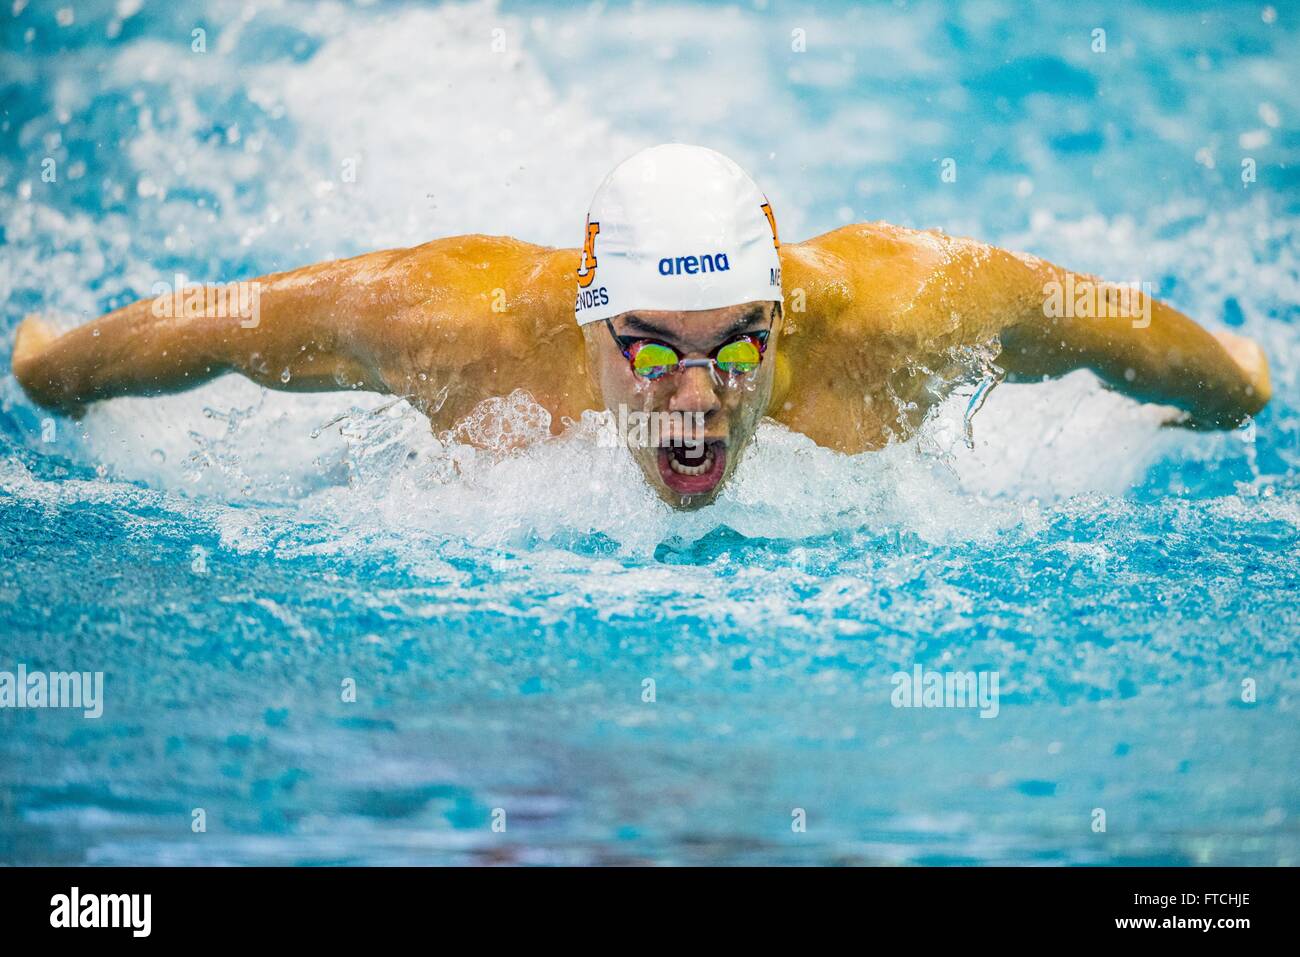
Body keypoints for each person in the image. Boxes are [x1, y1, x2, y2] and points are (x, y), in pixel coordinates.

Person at [11, 143, 1271, 508]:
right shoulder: (454, 325)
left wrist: (1233, 385)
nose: (698, 396)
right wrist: (60, 366)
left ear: (780, 305)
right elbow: (236, 321)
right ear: (585, 310)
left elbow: (1085, 314)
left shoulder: (901, 312)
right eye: (652, 349)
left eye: (736, 343)